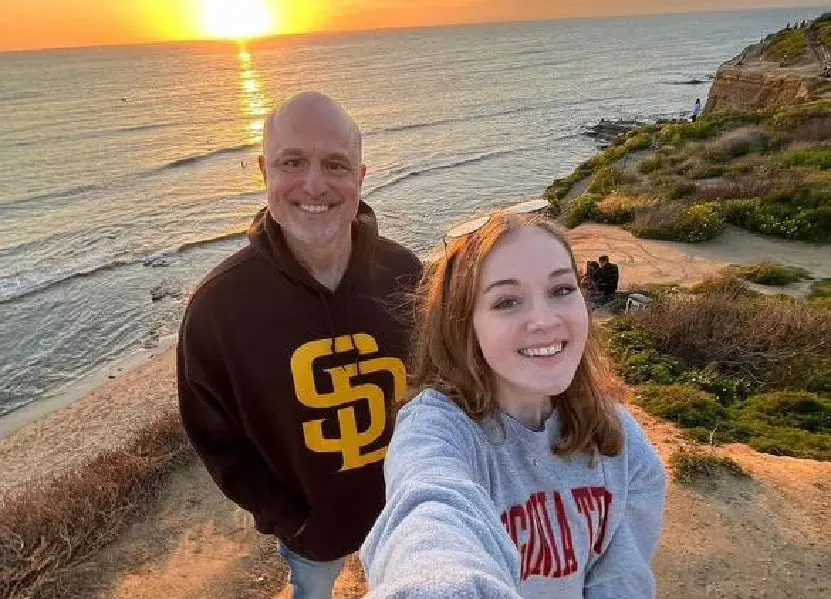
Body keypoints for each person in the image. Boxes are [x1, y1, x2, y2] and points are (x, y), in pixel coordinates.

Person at [177, 92, 422, 599]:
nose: (314, 184)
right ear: (264, 170)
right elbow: (215, 439)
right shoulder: (218, 309)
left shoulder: (405, 274)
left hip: (408, 512)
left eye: (335, 165)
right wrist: (290, 520)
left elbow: (442, 385)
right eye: (293, 162)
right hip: (313, 538)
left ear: (360, 178)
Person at [360, 212, 667, 598]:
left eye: (561, 290)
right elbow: (430, 512)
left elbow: (621, 579)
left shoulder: (618, 440)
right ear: (464, 324)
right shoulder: (437, 431)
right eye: (507, 301)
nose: (543, 320)